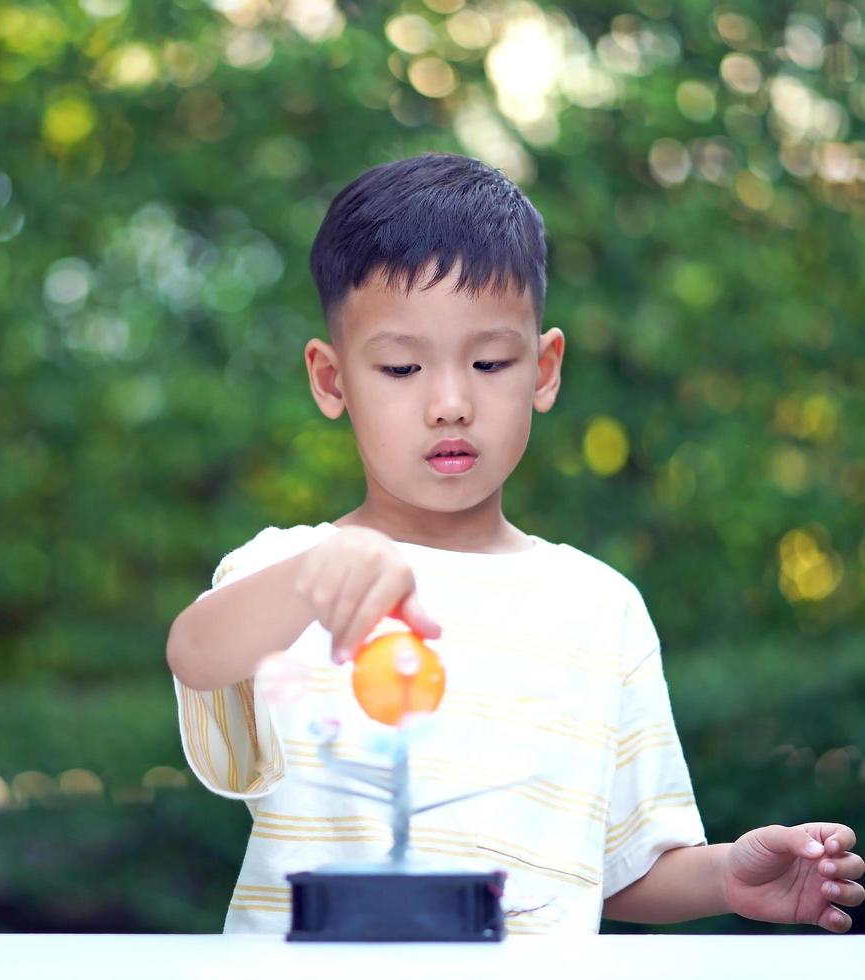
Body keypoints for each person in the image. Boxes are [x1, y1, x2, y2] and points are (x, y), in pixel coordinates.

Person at [164, 153, 862, 935]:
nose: (451, 404)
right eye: (401, 367)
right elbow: (196, 653)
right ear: (331, 381)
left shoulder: (600, 609)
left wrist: (728, 878)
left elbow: (619, 870)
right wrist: (318, 574)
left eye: (491, 362)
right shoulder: (286, 572)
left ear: (544, 367)